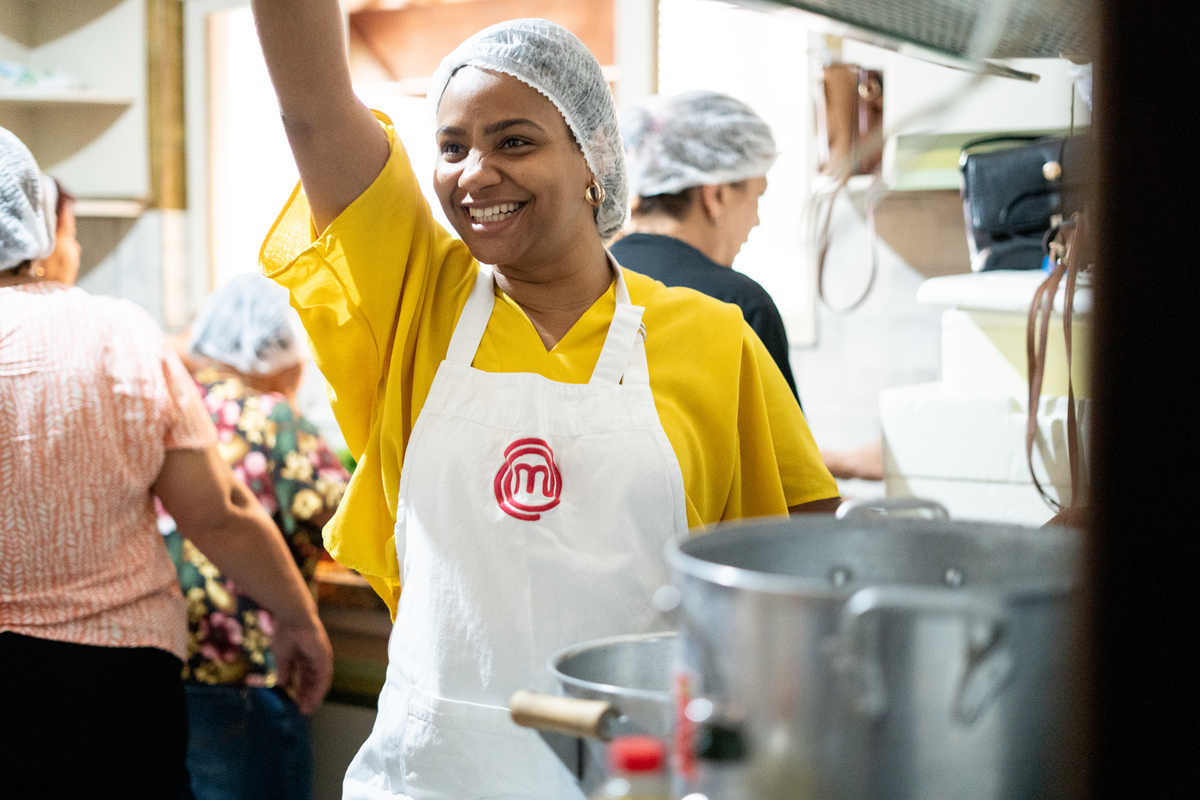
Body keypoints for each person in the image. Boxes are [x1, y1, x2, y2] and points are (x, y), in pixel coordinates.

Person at [250, 4, 839, 797]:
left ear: (593, 156)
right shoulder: (416, 299)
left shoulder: (713, 339)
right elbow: (314, 113)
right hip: (432, 775)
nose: (474, 173)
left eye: (514, 141)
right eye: (452, 146)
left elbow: (791, 565)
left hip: (631, 773)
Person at [0, 126, 333, 799]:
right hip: (115, 680)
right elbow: (220, 514)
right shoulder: (117, 332)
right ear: (35, 216)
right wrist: (295, 617)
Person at [159, 273, 351, 800]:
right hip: (250, 664)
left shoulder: (171, 409)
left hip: (165, 658)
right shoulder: (271, 418)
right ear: (275, 352)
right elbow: (344, 521)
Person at [610, 90, 800, 401]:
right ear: (717, 196)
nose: (756, 221)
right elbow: (782, 448)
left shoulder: (588, 282)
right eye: (757, 197)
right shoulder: (739, 306)